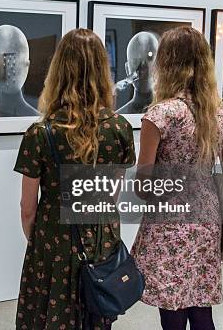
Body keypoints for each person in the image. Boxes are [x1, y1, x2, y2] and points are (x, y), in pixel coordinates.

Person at [13, 28, 136, 329]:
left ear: (58, 70)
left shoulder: (40, 133)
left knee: (50, 318)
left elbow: (27, 208)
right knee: (96, 312)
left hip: (53, 244)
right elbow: (111, 196)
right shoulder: (120, 128)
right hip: (100, 241)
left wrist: (43, 242)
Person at [131, 26, 223, 330]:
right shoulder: (222, 113)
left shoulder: (160, 115)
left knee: (173, 308)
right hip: (207, 217)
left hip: (170, 222)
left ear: (166, 64)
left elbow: (143, 185)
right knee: (200, 306)